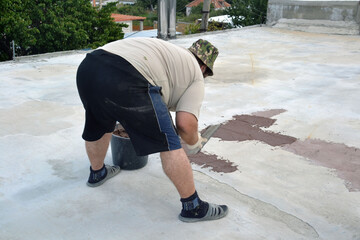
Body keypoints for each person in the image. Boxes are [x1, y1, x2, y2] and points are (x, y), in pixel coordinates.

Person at [76, 37, 228, 222]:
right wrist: (195, 142)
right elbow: (185, 125)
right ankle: (193, 207)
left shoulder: (171, 53)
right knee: (168, 142)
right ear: (204, 67)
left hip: (89, 67)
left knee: (99, 121)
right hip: (128, 75)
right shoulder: (196, 74)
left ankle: (97, 172)